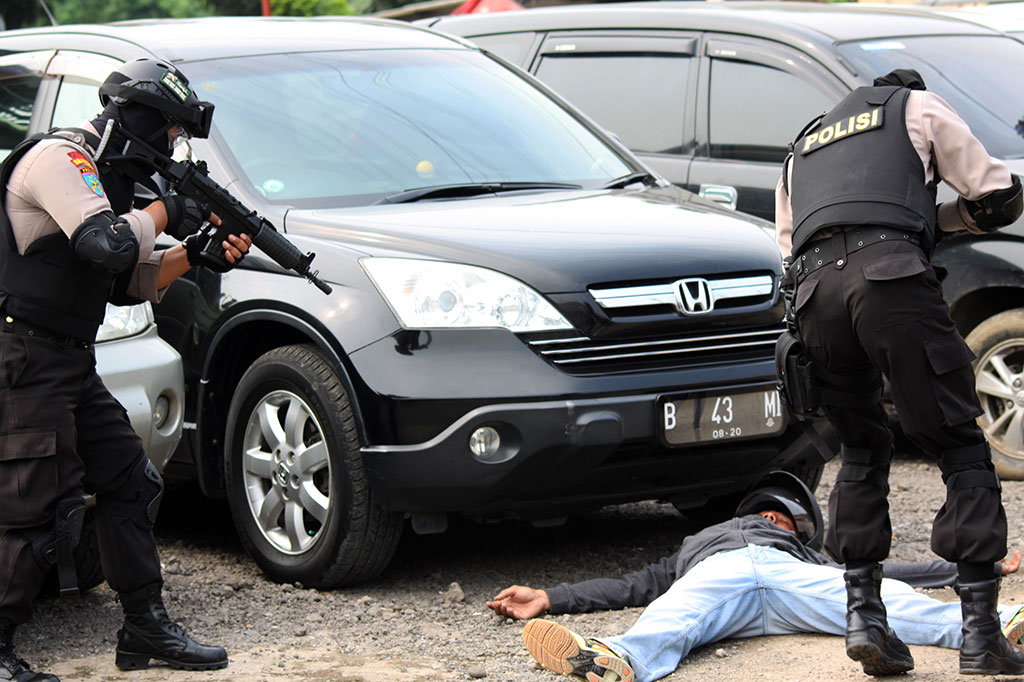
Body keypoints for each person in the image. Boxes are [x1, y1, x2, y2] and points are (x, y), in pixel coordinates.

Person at [0, 58, 251, 681]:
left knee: (131, 481)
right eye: (170, 133)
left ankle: (144, 626)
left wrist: (194, 254)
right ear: (139, 117)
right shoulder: (61, 159)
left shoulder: (108, 183)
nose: (172, 148)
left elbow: (119, 283)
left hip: (68, 359)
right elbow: (108, 243)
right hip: (23, 358)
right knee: (34, 506)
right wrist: (167, 212)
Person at [774, 67, 1024, 676]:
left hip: (813, 298)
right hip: (890, 279)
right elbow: (995, 195)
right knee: (959, 445)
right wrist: (950, 217)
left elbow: (788, 250)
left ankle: (866, 619)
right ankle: (981, 636)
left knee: (860, 449)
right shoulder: (915, 106)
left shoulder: (802, 145)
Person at [488, 472, 1024, 682]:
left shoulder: (803, 554)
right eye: (767, 514)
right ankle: (617, 659)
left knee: (881, 600)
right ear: (746, 513)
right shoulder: (694, 549)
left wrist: (972, 568)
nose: (772, 519)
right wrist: (550, 597)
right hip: (717, 582)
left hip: (791, 582)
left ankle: (1000, 621)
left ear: (795, 530)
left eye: (783, 519)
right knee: (675, 614)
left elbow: (880, 572)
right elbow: (630, 586)